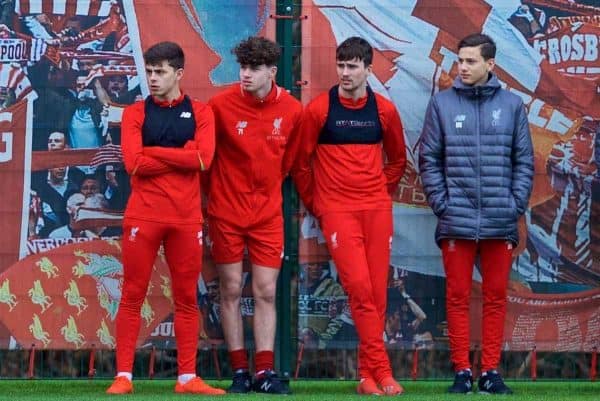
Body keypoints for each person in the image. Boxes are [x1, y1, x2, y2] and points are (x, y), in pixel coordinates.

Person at [106, 41, 224, 395]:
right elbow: (133, 163)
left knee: (187, 297)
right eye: (150, 71)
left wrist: (155, 153)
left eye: (160, 72)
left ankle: (187, 378)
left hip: (186, 219)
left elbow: (204, 160)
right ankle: (124, 376)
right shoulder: (135, 113)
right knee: (132, 294)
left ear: (178, 73)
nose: (153, 78)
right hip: (144, 215)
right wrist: (180, 154)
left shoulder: (201, 113)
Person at [419, 33, 534, 394]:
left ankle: (490, 372)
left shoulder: (513, 105)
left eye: (470, 61)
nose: (463, 67)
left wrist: (514, 204)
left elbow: (525, 162)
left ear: (490, 64)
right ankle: (461, 372)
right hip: (457, 220)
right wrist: (443, 204)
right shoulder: (442, 104)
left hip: (501, 219)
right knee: (456, 296)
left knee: (496, 296)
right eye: (460, 60)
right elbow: (429, 160)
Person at [291, 36, 407, 395]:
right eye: (341, 65)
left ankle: (365, 376)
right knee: (358, 288)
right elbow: (299, 163)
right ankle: (383, 371)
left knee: (376, 293)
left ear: (368, 70)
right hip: (338, 212)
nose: (345, 72)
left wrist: (373, 189)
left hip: (375, 210)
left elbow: (398, 161)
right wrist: (320, 205)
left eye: (352, 66)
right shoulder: (319, 110)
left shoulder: (384, 110)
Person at [206, 36, 302, 394]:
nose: (245, 75)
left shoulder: (293, 110)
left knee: (265, 291)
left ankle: (264, 372)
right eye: (242, 67)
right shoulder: (219, 105)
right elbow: (206, 158)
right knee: (230, 289)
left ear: (272, 72)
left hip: (267, 216)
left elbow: (290, 161)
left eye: (254, 68)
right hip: (226, 213)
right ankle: (239, 372)